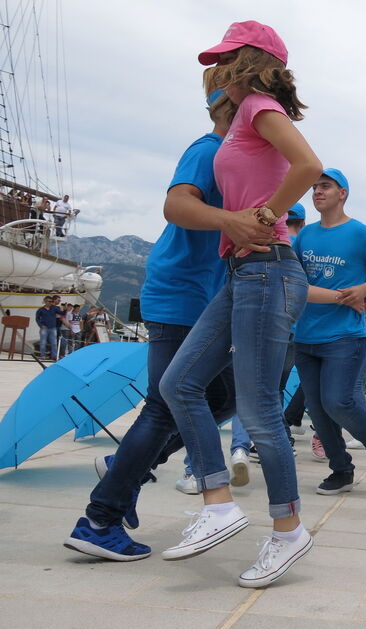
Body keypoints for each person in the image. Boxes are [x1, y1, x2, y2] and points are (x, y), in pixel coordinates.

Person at [63, 88, 275, 563]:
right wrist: (234, 222)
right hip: (181, 292)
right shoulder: (209, 151)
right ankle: (100, 519)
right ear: (238, 111)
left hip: (200, 294)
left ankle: (124, 468)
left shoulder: (231, 158)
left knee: (224, 397)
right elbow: (176, 205)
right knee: (165, 404)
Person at [156, 21, 323, 588]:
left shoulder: (257, 105)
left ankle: (288, 530)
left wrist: (267, 213)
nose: (217, 71)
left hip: (267, 271)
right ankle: (219, 504)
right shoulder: (239, 118)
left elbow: (309, 166)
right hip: (244, 273)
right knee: (178, 384)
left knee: (259, 412)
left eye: (226, 61)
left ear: (249, 63)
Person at [292, 167, 366, 496]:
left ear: (343, 193)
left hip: (344, 336)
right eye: (314, 187)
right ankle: (341, 469)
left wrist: (363, 289)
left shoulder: (360, 233)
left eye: (325, 187)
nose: (317, 192)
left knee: (338, 402)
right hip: (306, 336)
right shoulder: (305, 236)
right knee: (317, 406)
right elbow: (297, 282)